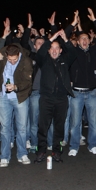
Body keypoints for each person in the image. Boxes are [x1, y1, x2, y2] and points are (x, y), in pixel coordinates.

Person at [63, 8, 96, 156]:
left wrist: (94, 20)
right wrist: (73, 23)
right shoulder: (73, 52)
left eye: (87, 38)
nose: (85, 40)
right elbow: (64, 37)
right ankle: (74, 146)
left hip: (92, 93)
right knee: (75, 122)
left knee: (93, 122)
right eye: (82, 39)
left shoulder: (93, 52)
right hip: (77, 93)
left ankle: (92, 145)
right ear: (78, 42)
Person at [34, 29, 76, 163]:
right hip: (46, 98)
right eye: (51, 48)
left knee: (59, 126)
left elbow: (74, 53)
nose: (54, 50)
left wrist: (66, 39)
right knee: (43, 126)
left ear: (60, 50)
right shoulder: (43, 60)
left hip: (61, 99)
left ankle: (57, 151)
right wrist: (51, 39)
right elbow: (40, 52)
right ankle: (41, 150)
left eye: (57, 48)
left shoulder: (65, 61)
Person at [0, 42, 33, 167]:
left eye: (14, 60)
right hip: (4, 97)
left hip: (20, 96)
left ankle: (22, 153)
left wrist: (16, 87)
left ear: (19, 55)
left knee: (21, 128)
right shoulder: (4, 56)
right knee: (5, 128)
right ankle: (4, 156)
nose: (12, 62)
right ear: (6, 55)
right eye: (10, 60)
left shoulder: (26, 61)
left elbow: (28, 82)